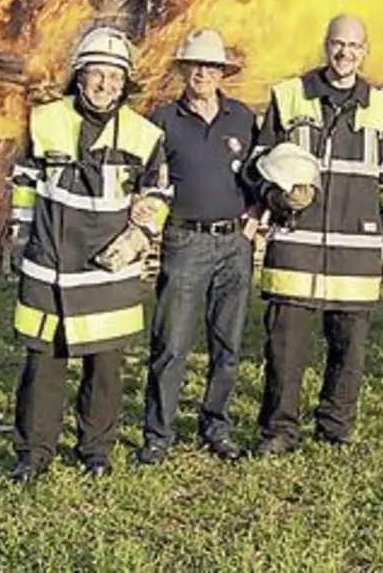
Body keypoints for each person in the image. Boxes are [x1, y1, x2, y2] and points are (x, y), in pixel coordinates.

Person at [8, 26, 171, 482]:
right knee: (43, 365)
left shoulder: (145, 135)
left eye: (115, 77)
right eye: (97, 74)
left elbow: (160, 192)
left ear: (125, 84)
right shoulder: (45, 121)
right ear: (79, 76)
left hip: (108, 269)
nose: (105, 85)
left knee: (105, 367)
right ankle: (33, 453)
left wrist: (145, 223)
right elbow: (24, 182)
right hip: (50, 265)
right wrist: (20, 236)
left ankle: (96, 451)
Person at [250, 14, 383, 454]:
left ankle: (336, 426)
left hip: (356, 249)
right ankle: (279, 430)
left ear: (365, 51)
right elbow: (258, 164)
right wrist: (277, 198)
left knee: (349, 348)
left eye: (354, 46)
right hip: (296, 247)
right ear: (326, 46)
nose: (345, 53)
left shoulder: (380, 107)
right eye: (339, 44)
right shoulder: (288, 96)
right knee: (285, 349)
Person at [137, 30, 256, 466]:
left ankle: (215, 427)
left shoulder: (243, 118)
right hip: (185, 241)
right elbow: (146, 182)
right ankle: (158, 434)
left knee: (227, 345)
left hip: (235, 244)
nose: (203, 73)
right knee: (171, 343)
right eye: (195, 65)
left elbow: (260, 175)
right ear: (184, 70)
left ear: (222, 72)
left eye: (211, 66)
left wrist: (255, 219)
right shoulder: (162, 121)